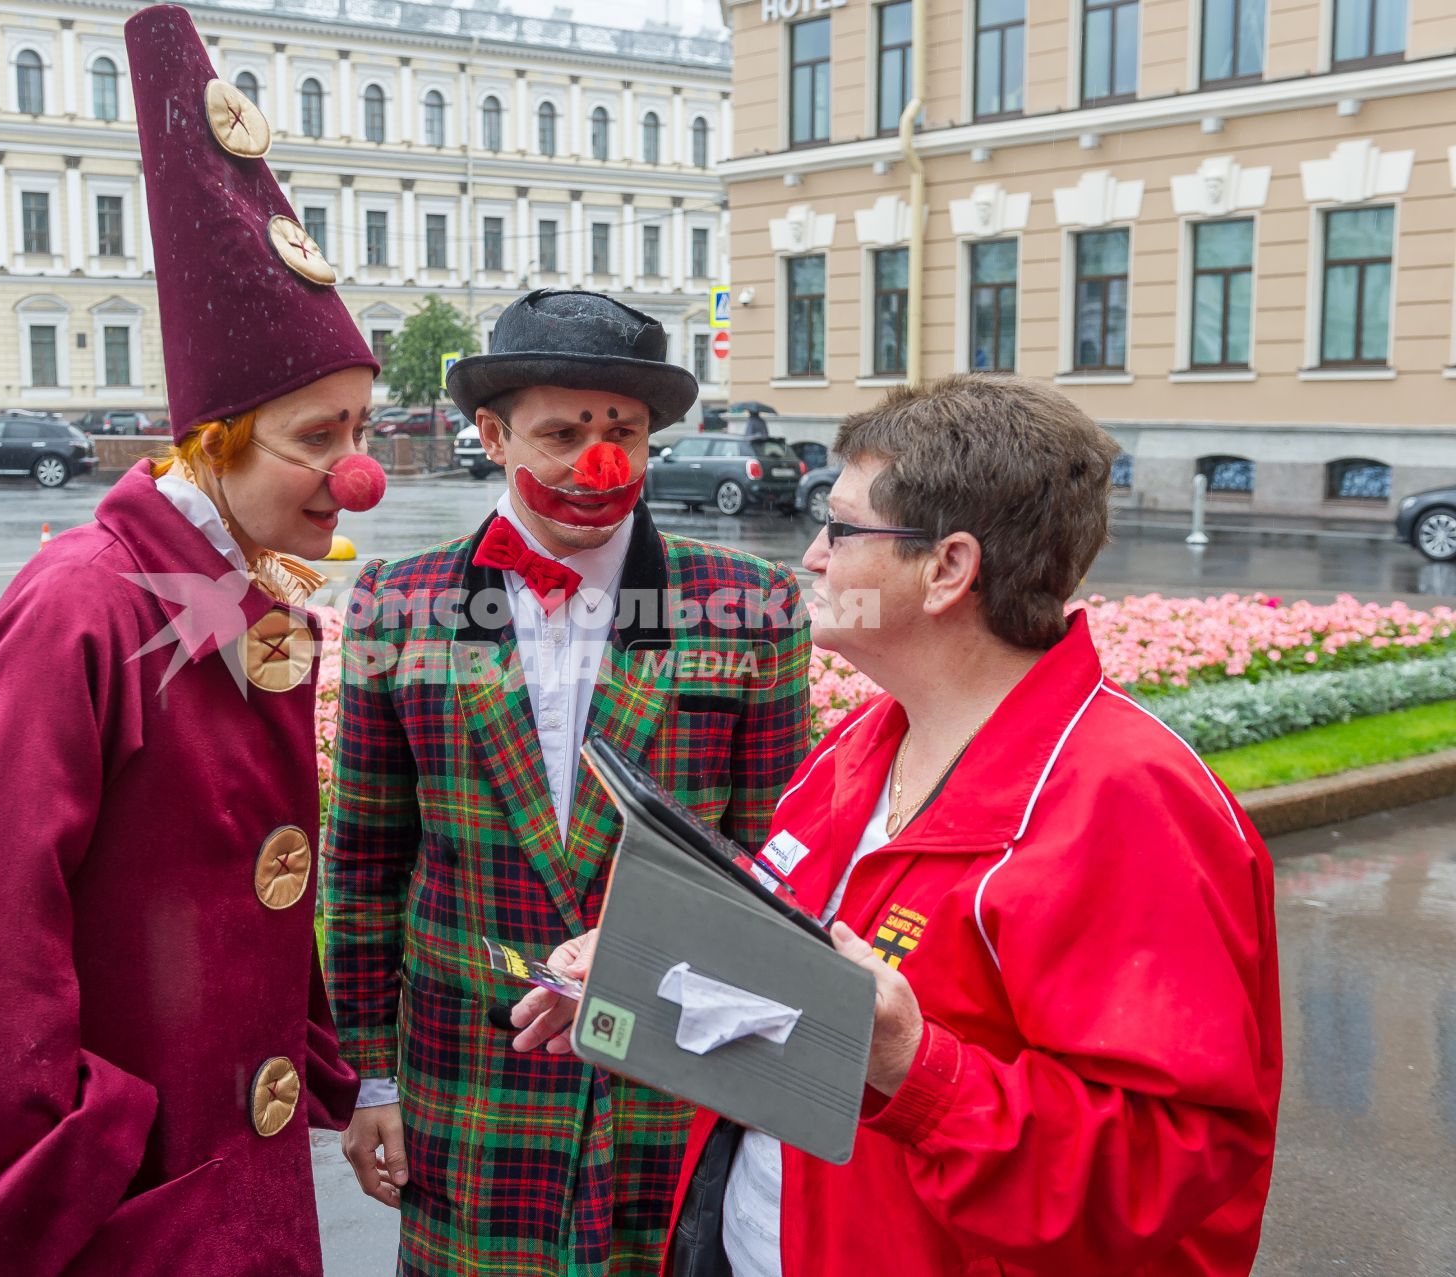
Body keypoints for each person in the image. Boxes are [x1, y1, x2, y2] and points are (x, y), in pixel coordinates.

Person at [0, 8, 387, 1273]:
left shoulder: (248, 596)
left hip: (227, 1201)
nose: (358, 476)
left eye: (363, 428)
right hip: (106, 1223)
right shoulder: (86, 602)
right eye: (319, 436)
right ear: (214, 440)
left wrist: (318, 1063)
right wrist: (81, 1154)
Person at [513, 374, 1284, 1277]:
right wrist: (653, 976)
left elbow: (1164, 1173)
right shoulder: (862, 745)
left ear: (949, 567)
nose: (811, 556)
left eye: (840, 528)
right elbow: (793, 1000)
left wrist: (913, 1065)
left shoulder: (1125, 800)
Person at [325, 288, 814, 1277]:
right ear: (494, 434)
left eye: (624, 431)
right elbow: (366, 863)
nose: (602, 463)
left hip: (670, 1081)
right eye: (563, 433)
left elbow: (776, 862)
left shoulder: (748, 606)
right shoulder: (396, 604)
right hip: (470, 1084)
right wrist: (373, 1076)